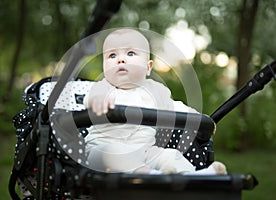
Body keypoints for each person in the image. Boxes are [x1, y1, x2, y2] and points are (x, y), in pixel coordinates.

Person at [83, 28, 226, 175]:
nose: (120, 59)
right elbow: (92, 98)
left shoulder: (155, 91)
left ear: (148, 67)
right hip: (102, 149)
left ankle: (193, 176)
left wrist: (199, 119)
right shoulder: (104, 87)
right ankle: (151, 176)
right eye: (112, 55)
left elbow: (174, 107)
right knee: (113, 153)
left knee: (170, 155)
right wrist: (98, 101)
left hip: (144, 151)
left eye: (130, 53)